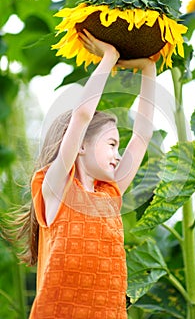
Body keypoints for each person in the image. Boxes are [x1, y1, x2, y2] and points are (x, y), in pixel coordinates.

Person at [18, 29, 156, 318]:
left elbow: (143, 134)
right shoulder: (57, 189)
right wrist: (108, 58)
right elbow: (81, 116)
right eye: (111, 144)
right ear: (80, 146)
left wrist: (148, 68)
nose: (119, 155)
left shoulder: (110, 192)